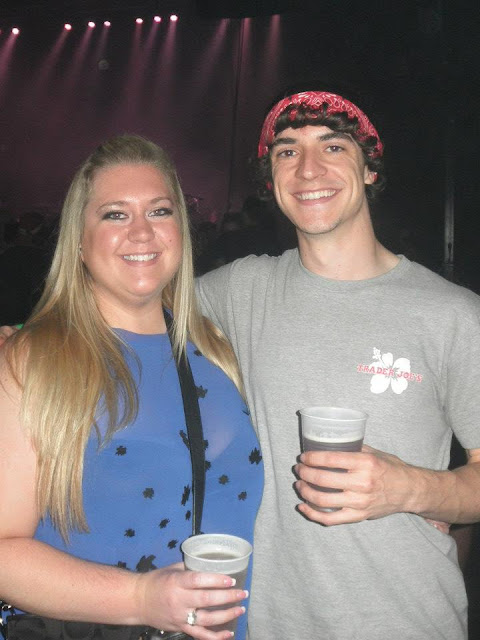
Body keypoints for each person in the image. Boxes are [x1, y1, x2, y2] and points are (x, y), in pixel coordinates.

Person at [194, 91, 480, 639]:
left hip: (406, 622)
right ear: (271, 180)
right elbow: (125, 311)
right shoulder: (243, 289)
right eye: (286, 151)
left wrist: (412, 488)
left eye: (332, 146)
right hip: (270, 624)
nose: (308, 169)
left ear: (369, 169)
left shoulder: (452, 314)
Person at [0, 135, 263, 640]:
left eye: (160, 211)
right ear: (79, 241)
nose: (141, 231)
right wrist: (140, 598)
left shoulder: (215, 349)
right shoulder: (34, 360)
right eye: (115, 214)